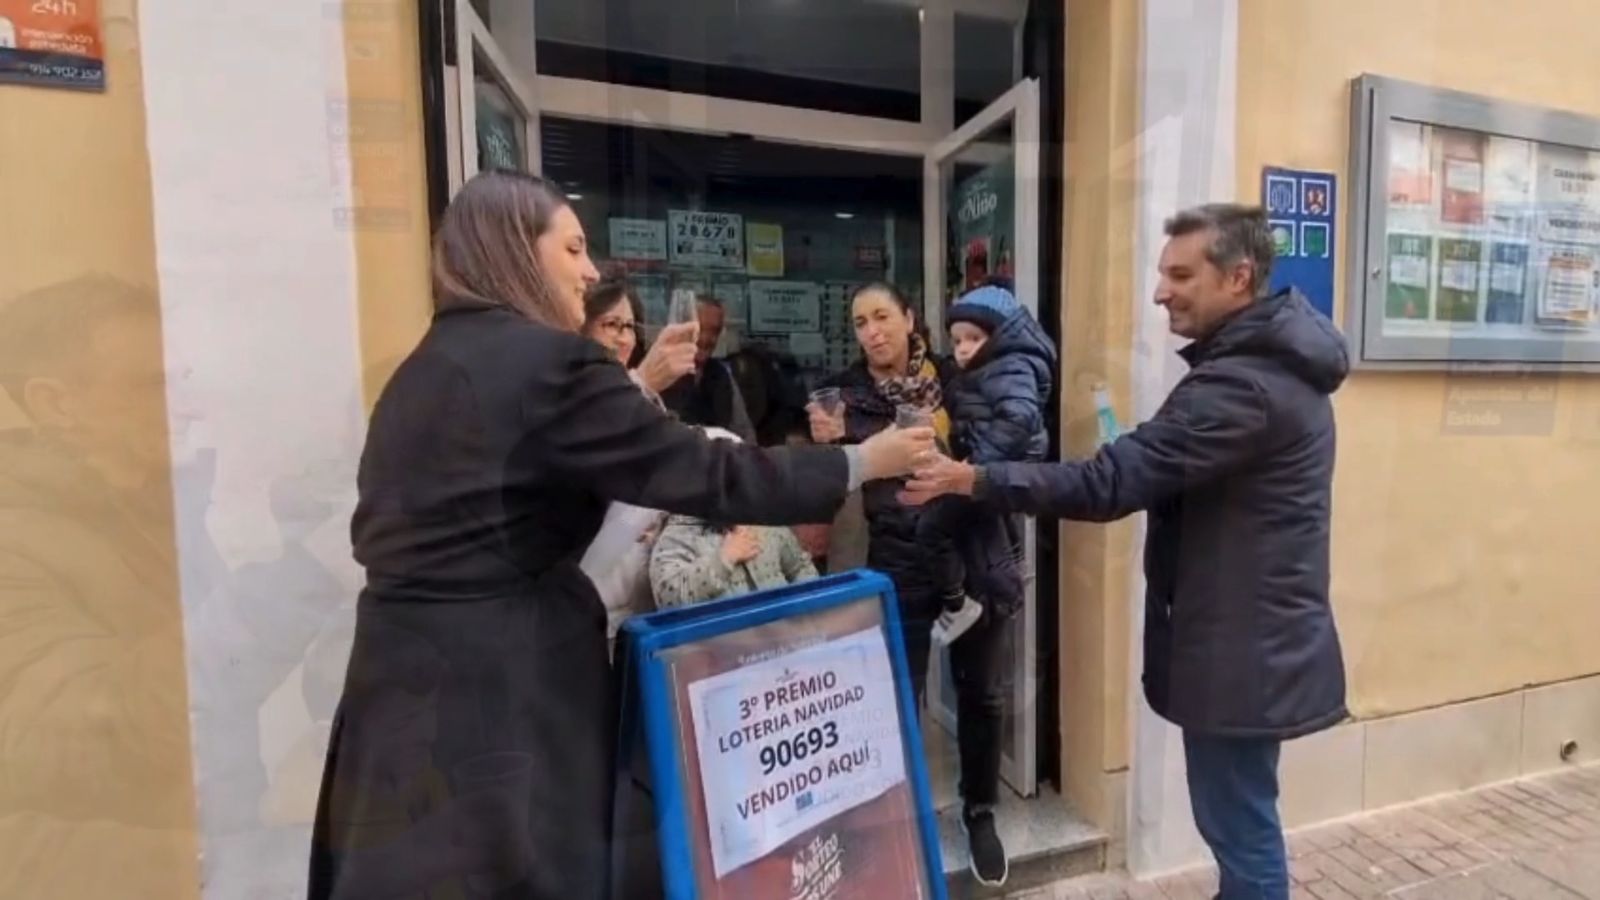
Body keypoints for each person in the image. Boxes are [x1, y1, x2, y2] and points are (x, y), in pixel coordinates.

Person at [308, 172, 934, 900]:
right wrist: (862, 459)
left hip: (397, 692)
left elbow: (527, 471)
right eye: (572, 247)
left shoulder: (419, 371)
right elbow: (706, 471)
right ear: (515, 248)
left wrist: (634, 388)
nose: (591, 270)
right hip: (507, 692)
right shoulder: (548, 360)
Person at [903, 204, 1350, 900]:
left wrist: (975, 477)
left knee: (1239, 827)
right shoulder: (1255, 369)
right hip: (1251, 640)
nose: (1159, 291)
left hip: (1244, 648)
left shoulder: (1245, 386)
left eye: (1179, 274)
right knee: (1239, 821)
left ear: (1238, 278)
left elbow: (1109, 482)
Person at [806, 281, 1013, 888]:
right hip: (897, 562)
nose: (871, 331)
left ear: (908, 319)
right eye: (859, 322)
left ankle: (980, 813)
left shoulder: (957, 377)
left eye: (881, 317)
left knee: (983, 695)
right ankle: (894, 823)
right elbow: (836, 485)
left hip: (970, 552)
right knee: (896, 702)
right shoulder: (845, 395)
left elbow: (1000, 451)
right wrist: (829, 450)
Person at [918, 280, 1056, 646]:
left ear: (998, 337)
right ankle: (1009, 581)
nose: (962, 349)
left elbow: (1018, 419)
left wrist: (975, 467)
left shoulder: (1008, 367)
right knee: (990, 526)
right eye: (957, 340)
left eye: (973, 338)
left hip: (990, 467)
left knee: (932, 527)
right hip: (989, 467)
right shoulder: (984, 370)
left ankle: (959, 603)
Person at [649, 427, 820, 607]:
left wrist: (808, 610)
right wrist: (724, 560)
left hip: (784, 628)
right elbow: (669, 601)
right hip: (726, 634)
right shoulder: (678, 536)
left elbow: (799, 567)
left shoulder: (763, 520)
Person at [659, 293, 756, 441]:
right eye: (701, 329)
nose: (706, 338)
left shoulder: (721, 375)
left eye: (714, 331)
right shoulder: (662, 370)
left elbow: (745, 435)